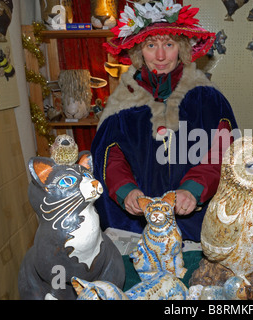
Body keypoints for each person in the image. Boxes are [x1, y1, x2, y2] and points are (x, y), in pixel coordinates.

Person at [91, 0, 238, 241]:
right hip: (136, 227)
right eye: (151, 45)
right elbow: (111, 155)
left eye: (168, 44)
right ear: (139, 51)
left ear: (181, 48)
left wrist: (193, 189)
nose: (160, 56)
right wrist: (126, 191)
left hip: (196, 227)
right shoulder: (123, 102)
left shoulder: (208, 98)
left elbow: (223, 152)